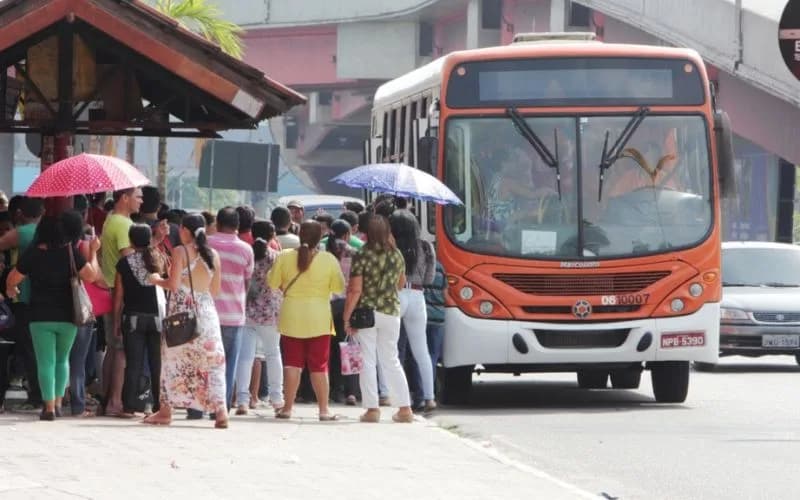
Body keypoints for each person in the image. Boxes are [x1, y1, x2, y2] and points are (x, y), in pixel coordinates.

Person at [6, 215, 100, 420]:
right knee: (62, 360)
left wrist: (11, 288)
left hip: (40, 316)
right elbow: (92, 276)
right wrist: (93, 251)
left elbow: (13, 278)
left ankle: (48, 408)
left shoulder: (34, 254)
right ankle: (57, 403)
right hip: (68, 316)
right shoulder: (71, 253)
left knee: (45, 361)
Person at [144, 214, 228, 429]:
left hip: (182, 316)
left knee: (174, 362)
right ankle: (221, 411)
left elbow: (172, 285)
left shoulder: (180, 251)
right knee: (212, 362)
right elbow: (216, 290)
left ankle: (165, 412)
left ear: (184, 230)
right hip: (207, 315)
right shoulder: (214, 255)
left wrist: (155, 280)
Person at [267, 220, 345, 421]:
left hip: (292, 316)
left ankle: (287, 408)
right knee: (319, 366)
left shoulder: (284, 257)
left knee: (292, 364)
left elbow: (272, 282)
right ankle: (324, 410)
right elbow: (338, 288)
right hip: (319, 318)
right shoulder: (328, 260)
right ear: (320, 238)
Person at [343, 214, 414, 423]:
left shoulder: (362, 255)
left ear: (366, 233)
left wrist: (347, 317)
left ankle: (372, 409)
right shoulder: (397, 255)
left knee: (368, 360)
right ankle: (404, 408)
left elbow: (355, 290)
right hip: (391, 311)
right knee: (391, 359)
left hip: (367, 312)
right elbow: (401, 284)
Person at [205, 207, 254, 414]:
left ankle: (200, 407)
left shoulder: (206, 244)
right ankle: (221, 407)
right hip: (234, 314)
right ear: (238, 226)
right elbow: (247, 281)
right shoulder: (246, 249)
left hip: (207, 312)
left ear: (217, 222)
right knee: (228, 363)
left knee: (206, 361)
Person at [99, 187, 142, 417]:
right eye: (137, 196)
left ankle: (106, 399)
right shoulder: (124, 225)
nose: (141, 201)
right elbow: (130, 259)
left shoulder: (109, 220)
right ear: (124, 198)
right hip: (121, 291)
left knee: (113, 348)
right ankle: (115, 402)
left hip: (110, 287)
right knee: (121, 349)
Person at [114, 224, 165, 416]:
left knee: (133, 363)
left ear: (131, 240)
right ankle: (159, 406)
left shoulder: (124, 263)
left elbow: (118, 295)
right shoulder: (159, 259)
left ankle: (129, 407)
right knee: (156, 363)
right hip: (158, 317)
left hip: (133, 318)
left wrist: (117, 321)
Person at [390, 209, 437, 412]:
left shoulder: (390, 247)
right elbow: (430, 279)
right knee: (422, 351)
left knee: (388, 347)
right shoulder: (426, 247)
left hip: (396, 294)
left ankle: (386, 393)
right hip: (418, 296)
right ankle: (430, 397)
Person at [234, 220, 283, 415]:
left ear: (252, 234)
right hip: (271, 311)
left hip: (247, 311)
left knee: (245, 357)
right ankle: (277, 398)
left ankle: (242, 400)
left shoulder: (246, 254)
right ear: (273, 236)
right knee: (273, 354)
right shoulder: (276, 257)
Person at [0, 197, 44, 410]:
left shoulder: (23, 232)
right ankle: (44, 395)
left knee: (28, 347)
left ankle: (35, 396)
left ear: (20, 213)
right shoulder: (45, 232)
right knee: (39, 349)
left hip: (21, 294)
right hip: (42, 297)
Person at [62, 209, 104, 418]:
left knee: (58, 358)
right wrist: (95, 251)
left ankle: (54, 401)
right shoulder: (82, 247)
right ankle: (77, 404)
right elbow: (93, 276)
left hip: (57, 310)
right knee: (77, 361)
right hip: (79, 310)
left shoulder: (51, 247)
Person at [326, 220, 359, 406]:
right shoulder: (354, 253)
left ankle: (335, 390)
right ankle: (351, 392)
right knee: (350, 346)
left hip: (329, 305)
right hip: (349, 304)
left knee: (332, 348)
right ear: (347, 235)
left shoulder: (325, 253)